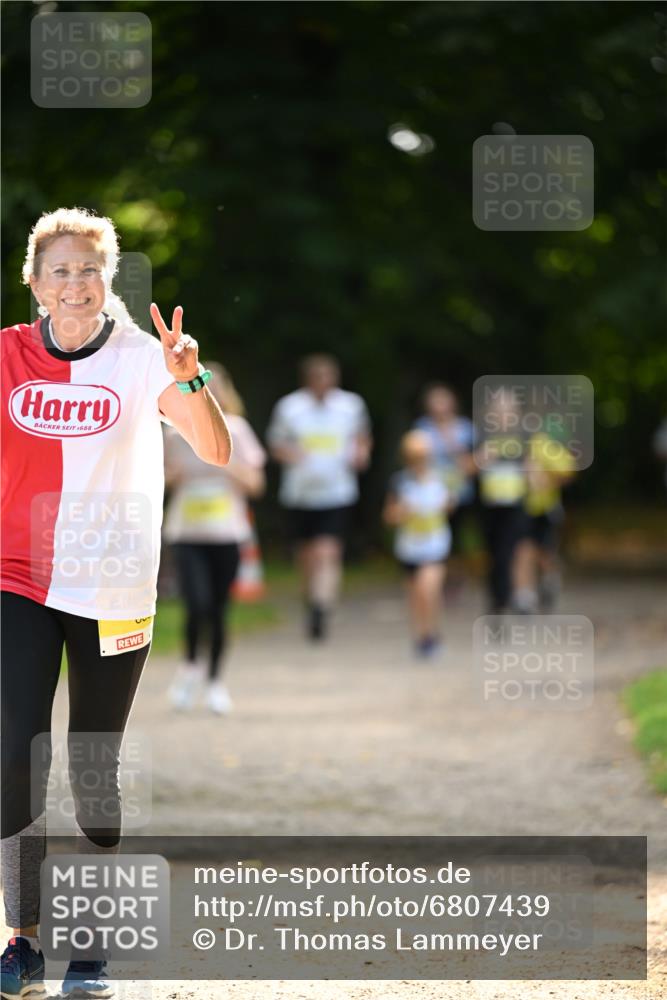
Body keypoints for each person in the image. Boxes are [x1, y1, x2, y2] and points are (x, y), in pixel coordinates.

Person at [0, 207, 231, 1000]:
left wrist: (189, 374)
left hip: (113, 584)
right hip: (17, 577)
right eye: (59, 270)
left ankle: (90, 950)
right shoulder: (4, 356)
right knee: (11, 759)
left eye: (89, 269)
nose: (75, 283)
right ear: (34, 282)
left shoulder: (142, 359)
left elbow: (216, 450)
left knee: (95, 763)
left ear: (109, 280)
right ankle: (22, 940)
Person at [163, 363, 266, 714]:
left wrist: (225, 461)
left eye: (212, 387)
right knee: (196, 603)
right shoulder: (174, 433)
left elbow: (257, 484)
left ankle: (215, 682)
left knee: (219, 609)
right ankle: (190, 666)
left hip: (227, 531)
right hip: (186, 531)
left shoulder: (237, 430)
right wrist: (171, 475)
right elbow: (157, 479)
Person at [266, 354, 372, 640]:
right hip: (300, 494)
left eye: (328, 377)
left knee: (328, 552)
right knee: (306, 556)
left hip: (338, 492)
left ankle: (321, 609)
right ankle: (312, 599)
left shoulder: (350, 406)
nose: (323, 382)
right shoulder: (290, 407)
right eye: (317, 377)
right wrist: (291, 454)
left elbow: (362, 436)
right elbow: (275, 443)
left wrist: (362, 453)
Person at [383, 430, 453, 658]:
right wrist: (402, 512)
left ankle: (432, 632)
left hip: (436, 545)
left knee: (428, 589)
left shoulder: (441, 478)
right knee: (416, 596)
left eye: (423, 455)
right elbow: (389, 516)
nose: (419, 460)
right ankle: (423, 635)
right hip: (410, 547)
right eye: (414, 456)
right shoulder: (399, 482)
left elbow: (452, 505)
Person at [414, 383, 476, 596]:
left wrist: (452, 443)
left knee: (455, 536)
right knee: (435, 534)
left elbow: (472, 460)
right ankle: (435, 576)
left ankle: (455, 576)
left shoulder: (464, 427)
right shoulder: (422, 427)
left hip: (459, 491)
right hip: (431, 492)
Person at [474, 387, 529, 613]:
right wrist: (481, 458)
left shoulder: (524, 436)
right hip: (489, 505)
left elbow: (532, 466)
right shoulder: (481, 436)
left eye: (508, 409)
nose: (503, 414)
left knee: (513, 550)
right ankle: (498, 597)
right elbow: (468, 466)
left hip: (517, 504)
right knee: (495, 554)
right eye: (498, 409)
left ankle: (512, 596)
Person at [512, 432, 576, 612]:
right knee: (523, 549)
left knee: (544, 553)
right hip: (519, 509)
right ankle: (524, 596)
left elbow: (568, 471)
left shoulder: (542, 444)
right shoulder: (506, 444)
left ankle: (550, 580)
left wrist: (545, 477)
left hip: (545, 508)